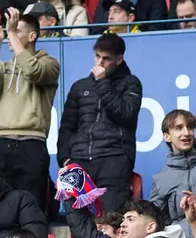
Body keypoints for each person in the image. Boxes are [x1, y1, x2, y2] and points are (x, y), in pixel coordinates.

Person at [0, 10, 61, 211]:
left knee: (31, 205)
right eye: (9, 32)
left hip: (32, 142)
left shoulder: (49, 63)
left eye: (16, 31)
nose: (10, 35)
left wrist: (12, 35)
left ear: (32, 36)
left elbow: (34, 71)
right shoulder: (3, 64)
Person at [57, 32, 144, 211]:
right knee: (76, 217)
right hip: (79, 159)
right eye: (97, 56)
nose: (99, 63)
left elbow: (125, 114)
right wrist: (65, 160)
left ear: (119, 59)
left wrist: (102, 82)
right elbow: (67, 127)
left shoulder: (131, 83)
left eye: (106, 59)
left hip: (114, 158)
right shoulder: (79, 86)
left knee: (110, 217)